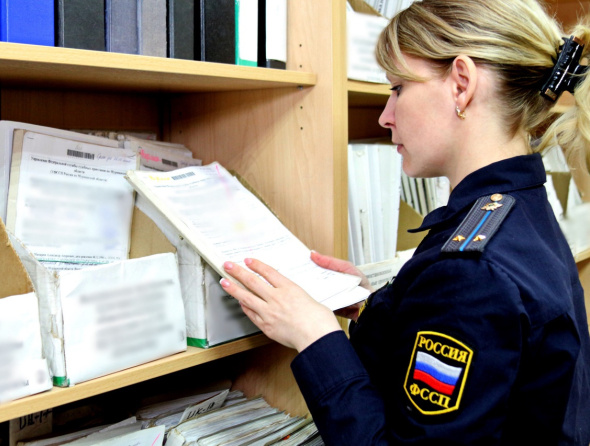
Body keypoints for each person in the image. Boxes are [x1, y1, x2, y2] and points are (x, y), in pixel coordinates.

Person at [219, 0, 590, 444]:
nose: (385, 115)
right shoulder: (518, 206)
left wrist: (314, 335)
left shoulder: (473, 271)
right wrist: (383, 309)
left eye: (397, 88)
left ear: (461, 84)